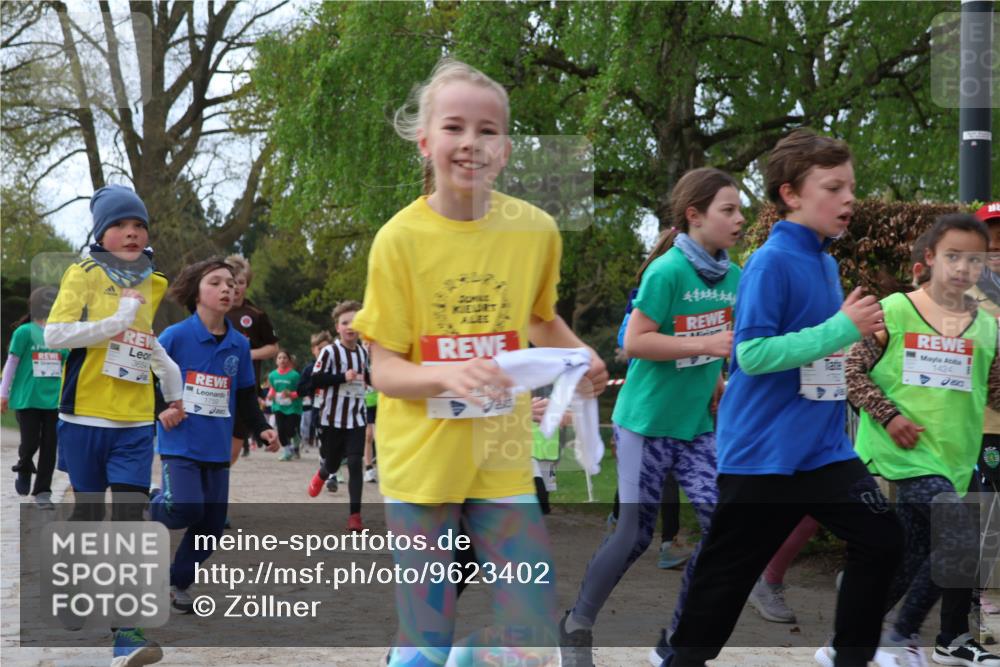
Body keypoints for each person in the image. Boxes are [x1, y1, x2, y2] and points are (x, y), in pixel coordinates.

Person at [351, 58, 608, 666]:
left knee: (536, 641)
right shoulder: (399, 241)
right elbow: (384, 369)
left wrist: (581, 357)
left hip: (501, 458)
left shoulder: (536, 230)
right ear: (424, 141)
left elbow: (540, 318)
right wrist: (446, 373)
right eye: (454, 127)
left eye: (488, 130)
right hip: (423, 463)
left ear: (507, 147)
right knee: (426, 639)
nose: (471, 143)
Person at [659, 130, 903, 667]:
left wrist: (848, 342)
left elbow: (817, 351)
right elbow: (753, 354)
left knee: (884, 540)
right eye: (833, 187)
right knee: (722, 587)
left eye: (851, 187)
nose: (848, 199)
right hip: (763, 456)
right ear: (791, 194)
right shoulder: (770, 262)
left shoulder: (824, 260)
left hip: (821, 452)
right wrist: (841, 329)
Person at [560, 167, 743, 667]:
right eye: (728, 209)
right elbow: (633, 342)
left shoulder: (734, 276)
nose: (739, 219)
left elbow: (718, 339)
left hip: (696, 428)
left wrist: (717, 376)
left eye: (739, 209)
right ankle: (576, 625)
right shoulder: (667, 272)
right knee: (634, 535)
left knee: (721, 528)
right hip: (644, 424)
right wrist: (705, 345)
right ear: (695, 215)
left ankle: (678, 642)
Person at [847, 214, 1000, 666]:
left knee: (911, 559)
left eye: (974, 260)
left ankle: (850, 635)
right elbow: (852, 372)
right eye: (953, 256)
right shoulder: (895, 309)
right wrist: (890, 416)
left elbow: (996, 392)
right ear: (930, 258)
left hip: (955, 458)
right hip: (904, 453)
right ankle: (901, 638)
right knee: (958, 542)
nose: (962, 268)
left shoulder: (987, 328)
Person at [44, 184, 185, 667]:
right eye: (121, 225)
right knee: (87, 517)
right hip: (83, 417)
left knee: (129, 521)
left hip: (132, 422)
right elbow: (56, 334)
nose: (131, 232)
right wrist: (113, 321)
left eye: (139, 225)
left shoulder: (154, 280)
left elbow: (142, 337)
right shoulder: (81, 273)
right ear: (101, 234)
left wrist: (172, 381)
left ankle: (126, 633)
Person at [148, 259, 278, 613]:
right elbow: (147, 378)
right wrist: (162, 407)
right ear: (196, 292)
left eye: (232, 283)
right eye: (216, 282)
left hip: (217, 449)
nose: (227, 289)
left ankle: (176, 582)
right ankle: (150, 504)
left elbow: (245, 397)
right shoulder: (174, 337)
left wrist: (262, 427)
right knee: (184, 508)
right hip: (181, 443)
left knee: (210, 529)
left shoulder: (238, 345)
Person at [307, 301, 370, 532]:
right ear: (337, 327)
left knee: (355, 462)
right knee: (332, 462)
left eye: (355, 322)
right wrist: (343, 376)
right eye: (345, 323)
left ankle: (355, 516)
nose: (350, 327)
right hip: (331, 417)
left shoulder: (364, 352)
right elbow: (315, 379)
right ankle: (322, 474)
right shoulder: (330, 351)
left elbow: (370, 378)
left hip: (357, 417)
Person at [2, 286, 67, 508]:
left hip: (54, 401)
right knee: (30, 443)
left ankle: (43, 492)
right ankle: (24, 466)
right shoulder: (25, 332)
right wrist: (3, 394)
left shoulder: (62, 335)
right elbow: (12, 363)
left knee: (50, 445)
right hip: (27, 398)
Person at [224, 254, 278, 461]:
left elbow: (274, 348)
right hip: (215, 387)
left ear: (247, 284)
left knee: (232, 453)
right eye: (231, 282)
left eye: (240, 282)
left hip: (245, 387)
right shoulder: (212, 311)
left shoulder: (256, 314)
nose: (235, 288)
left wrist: (246, 354)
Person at [298, 332, 331, 454]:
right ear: (313, 350)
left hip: (337, 408)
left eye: (327, 348)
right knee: (323, 439)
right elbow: (300, 390)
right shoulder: (309, 369)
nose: (324, 352)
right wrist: (314, 384)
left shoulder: (337, 367)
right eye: (320, 349)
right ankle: (325, 463)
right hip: (318, 408)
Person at [269, 349, 303, 461]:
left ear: (289, 360)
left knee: (289, 430)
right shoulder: (272, 375)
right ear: (276, 361)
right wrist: (270, 395)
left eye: (284, 358)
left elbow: (301, 391)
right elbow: (273, 389)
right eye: (279, 358)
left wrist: (290, 394)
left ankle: (296, 438)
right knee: (281, 429)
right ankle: (287, 451)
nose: (282, 360)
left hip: (293, 407)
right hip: (278, 406)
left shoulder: (295, 375)